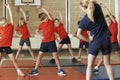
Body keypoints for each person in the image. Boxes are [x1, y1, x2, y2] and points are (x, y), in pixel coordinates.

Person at [77, 0, 114, 80]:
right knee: (107, 64)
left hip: (95, 42)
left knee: (90, 66)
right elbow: (94, 1)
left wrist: (88, 40)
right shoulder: (98, 8)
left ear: (83, 8)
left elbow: (78, 34)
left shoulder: (84, 21)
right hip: (106, 40)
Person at [28, 7, 66, 76]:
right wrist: (40, 36)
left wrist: (41, 8)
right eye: (44, 18)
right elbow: (36, 31)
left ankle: (59, 69)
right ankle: (35, 70)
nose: (46, 18)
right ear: (41, 20)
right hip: (44, 43)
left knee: (55, 56)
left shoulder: (51, 21)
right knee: (39, 56)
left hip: (51, 42)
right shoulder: (42, 24)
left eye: (46, 17)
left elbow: (48, 13)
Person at [93, 3, 120, 73]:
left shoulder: (114, 24)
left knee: (118, 54)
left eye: (109, 19)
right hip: (107, 42)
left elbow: (110, 15)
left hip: (114, 42)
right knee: (104, 56)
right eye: (106, 19)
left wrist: (105, 7)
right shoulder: (105, 27)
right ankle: (96, 67)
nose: (108, 20)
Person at [0, 4, 25, 76]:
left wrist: (9, 8)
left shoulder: (10, 26)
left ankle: (19, 71)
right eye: (4, 23)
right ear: (2, 24)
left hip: (7, 45)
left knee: (13, 59)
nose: (6, 23)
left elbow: (12, 18)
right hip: (0, 44)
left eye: (6, 22)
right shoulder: (1, 28)